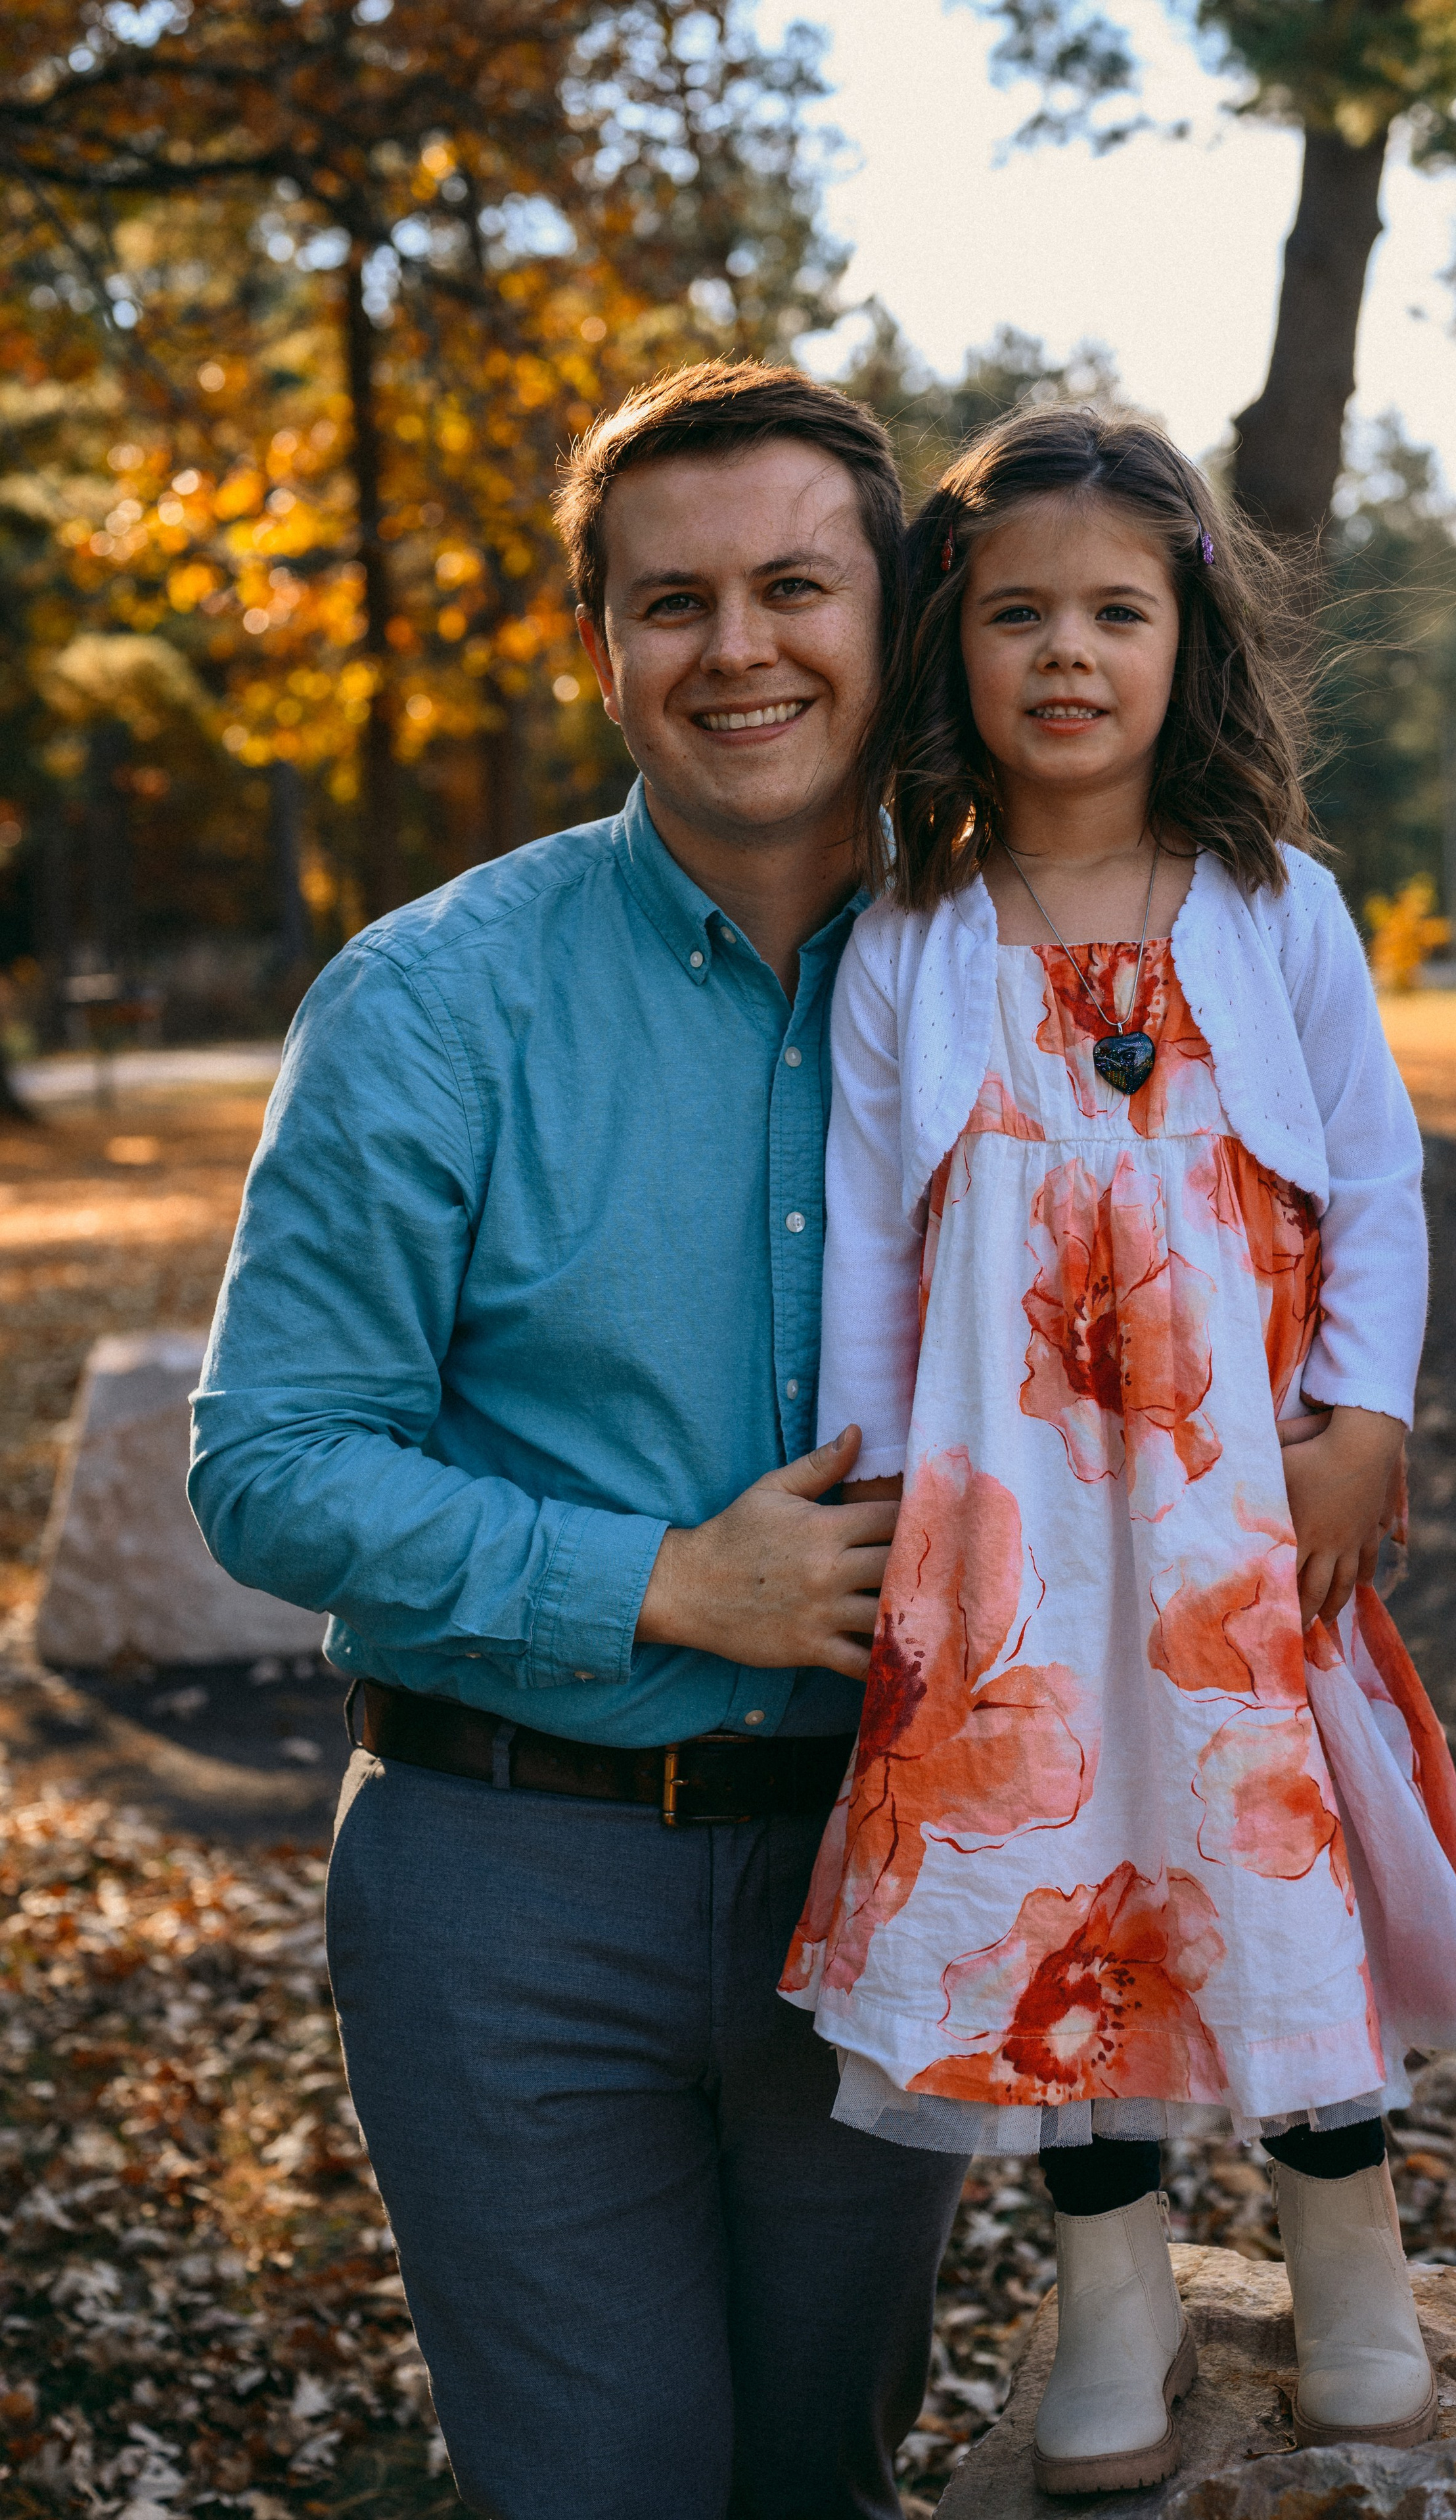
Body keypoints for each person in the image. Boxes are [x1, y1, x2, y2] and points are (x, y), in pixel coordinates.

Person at [187, 361, 972, 2520]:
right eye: (671, 602)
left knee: (828, 2477)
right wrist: (657, 1578)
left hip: (893, 1871)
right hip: (510, 1883)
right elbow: (265, 1457)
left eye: (798, 587)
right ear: (601, 645)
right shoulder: (433, 1001)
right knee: (607, 2485)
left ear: (893, 616)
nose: (740, 650)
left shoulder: (1014, 974)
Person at [779, 405, 1456, 2498]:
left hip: (1235, 1505)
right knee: (1054, 1898)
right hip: (1012, 1520)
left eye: (1116, 609)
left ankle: (1344, 2248)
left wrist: (1365, 1412)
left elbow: (1371, 1181)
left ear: (1191, 640)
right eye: (1016, 613)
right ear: (953, 646)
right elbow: (871, 1233)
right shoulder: (915, 933)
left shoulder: (1275, 902)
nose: (1068, 654)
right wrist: (880, 1500)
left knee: (1271, 1867)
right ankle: (1112, 2283)